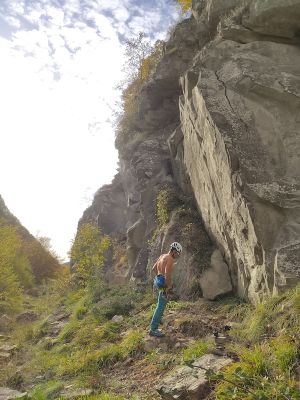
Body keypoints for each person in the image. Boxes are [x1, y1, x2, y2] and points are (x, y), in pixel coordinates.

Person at [149, 241, 182, 337]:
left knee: (160, 304)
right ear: (174, 251)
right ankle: (153, 329)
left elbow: (154, 269)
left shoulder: (162, 256)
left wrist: (159, 276)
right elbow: (167, 274)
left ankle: (156, 324)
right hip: (163, 283)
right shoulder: (170, 259)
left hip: (159, 280)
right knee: (160, 306)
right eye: (177, 253)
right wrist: (167, 287)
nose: (177, 255)